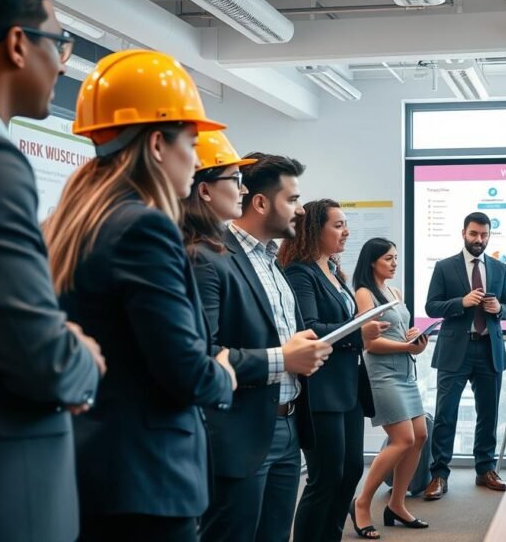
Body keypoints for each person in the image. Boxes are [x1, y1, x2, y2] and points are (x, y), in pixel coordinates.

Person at [43, 49, 237, 542]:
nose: (196, 162)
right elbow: (184, 372)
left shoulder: (70, 220)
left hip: (90, 473)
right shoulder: (144, 228)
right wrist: (223, 375)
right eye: (191, 143)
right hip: (147, 484)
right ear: (156, 144)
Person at [0, 0, 104, 541]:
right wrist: (80, 356)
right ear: (18, 44)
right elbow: (40, 358)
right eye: (60, 43)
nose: (62, 62)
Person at [193, 152, 333, 542]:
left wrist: (307, 350)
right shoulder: (211, 257)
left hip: (288, 425)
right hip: (240, 431)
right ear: (260, 202)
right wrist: (283, 358)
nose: (301, 210)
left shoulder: (274, 263)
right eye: (292, 199)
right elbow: (204, 355)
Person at [282, 199, 385, 542]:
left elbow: (342, 322)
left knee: (351, 470)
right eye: (338, 225)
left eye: (345, 224)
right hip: (321, 388)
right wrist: (360, 331)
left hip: (347, 387)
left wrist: (362, 326)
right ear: (314, 229)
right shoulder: (300, 271)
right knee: (325, 477)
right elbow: (309, 326)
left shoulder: (334, 270)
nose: (346, 231)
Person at [423, 212, 506, 501]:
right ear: (464, 232)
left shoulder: (500, 268)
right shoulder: (444, 267)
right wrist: (460, 303)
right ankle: (439, 474)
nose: (479, 240)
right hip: (455, 351)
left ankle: (485, 469)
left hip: (489, 349)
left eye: (484, 235)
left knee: (488, 415)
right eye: (474, 234)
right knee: (446, 414)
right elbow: (431, 307)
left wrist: (499, 309)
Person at [351, 238, 430, 539]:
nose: (394, 263)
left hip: (405, 371)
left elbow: (401, 331)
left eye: (396, 258)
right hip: (383, 374)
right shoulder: (364, 293)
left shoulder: (394, 291)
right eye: (388, 258)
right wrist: (406, 346)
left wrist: (414, 340)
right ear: (372, 261)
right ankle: (361, 503)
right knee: (402, 439)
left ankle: (396, 504)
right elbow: (369, 343)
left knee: (420, 435)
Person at [181, 130, 256, 257]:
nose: (244, 190)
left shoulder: (217, 245)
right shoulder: (198, 255)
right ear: (204, 191)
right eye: (236, 179)